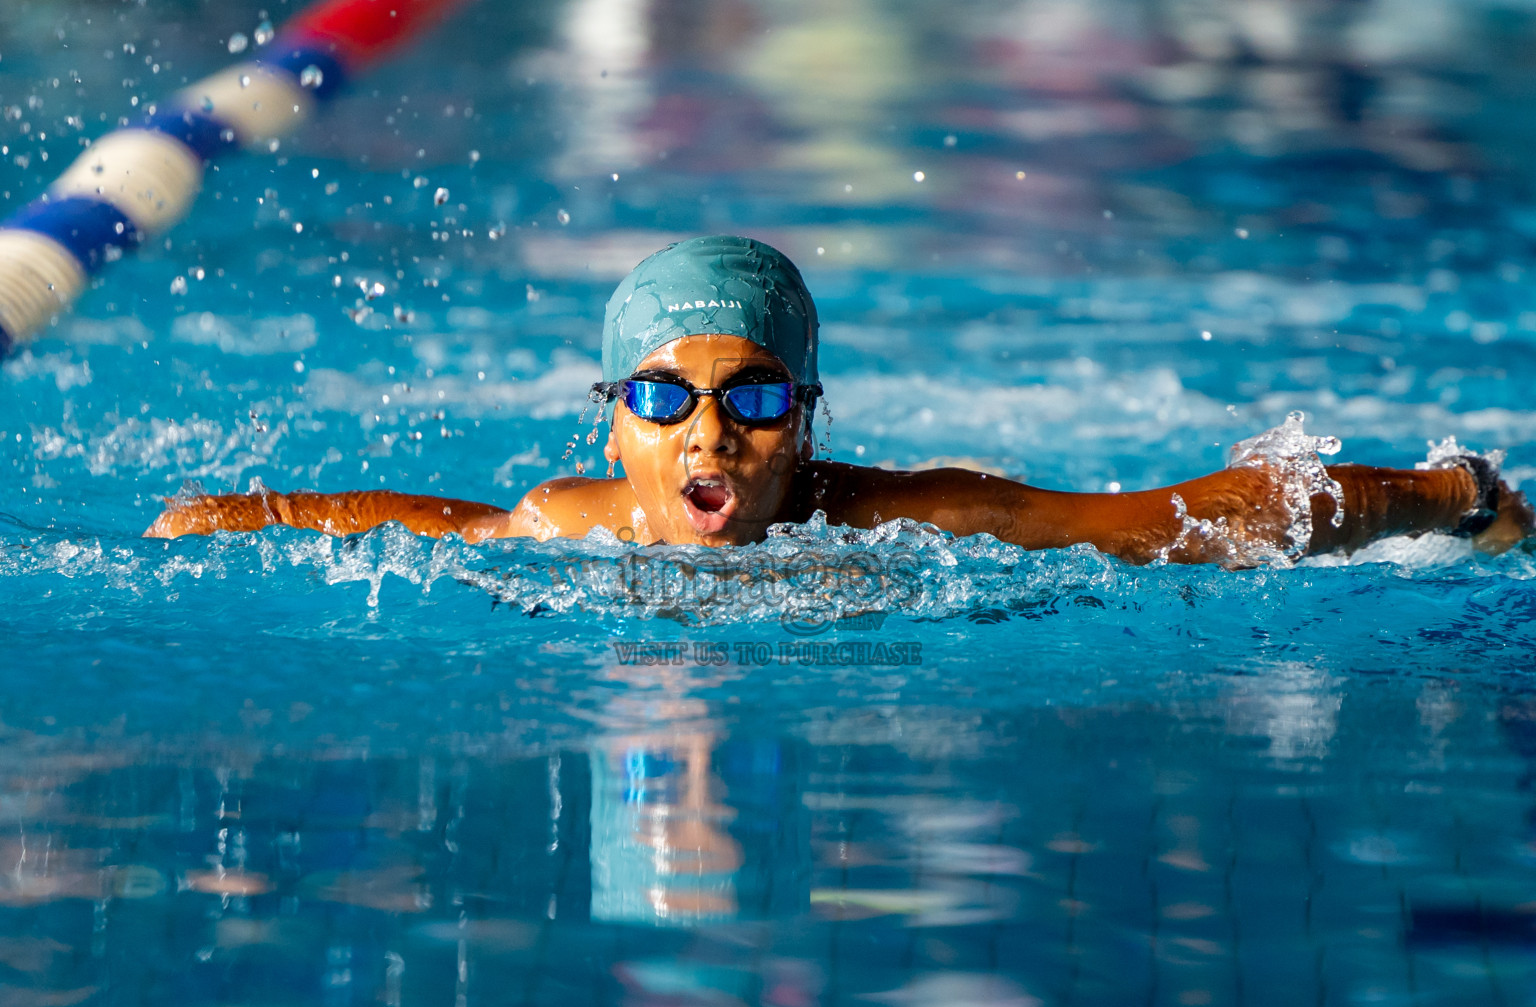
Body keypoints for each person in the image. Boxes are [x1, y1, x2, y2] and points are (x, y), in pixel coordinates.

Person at [146, 235, 1534, 565]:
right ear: (611, 422)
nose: (706, 433)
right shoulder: (583, 520)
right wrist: (260, 510)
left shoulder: (910, 522)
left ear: (803, 422)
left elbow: (1191, 518)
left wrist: (1446, 495)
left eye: (751, 402)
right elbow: (437, 522)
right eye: (664, 398)